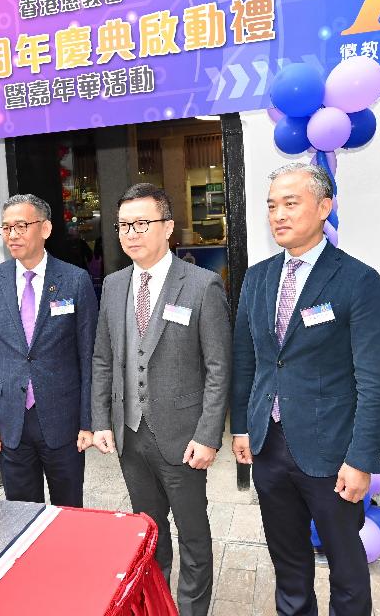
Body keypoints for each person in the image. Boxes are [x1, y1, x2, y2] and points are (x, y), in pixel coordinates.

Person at [231, 163, 380, 616]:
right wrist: (241, 426)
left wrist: (362, 459)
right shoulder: (257, 277)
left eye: (291, 203)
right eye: (271, 206)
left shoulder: (358, 281)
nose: (278, 215)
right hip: (268, 446)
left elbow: (377, 380)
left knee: (346, 563)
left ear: (325, 207)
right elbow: (248, 359)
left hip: (331, 452)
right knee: (288, 560)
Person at [91, 183, 231, 616]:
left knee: (192, 533)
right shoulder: (113, 285)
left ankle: (192, 609)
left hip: (183, 436)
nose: (131, 233)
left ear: (168, 227)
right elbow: (103, 358)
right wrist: (101, 421)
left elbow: (219, 369)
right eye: (123, 226)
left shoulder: (202, 284)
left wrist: (208, 435)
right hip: (131, 436)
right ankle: (157, 604)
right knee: (148, 532)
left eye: (142, 223)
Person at [0, 194, 98, 507]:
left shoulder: (75, 280)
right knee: (21, 512)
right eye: (6, 228)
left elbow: (89, 356)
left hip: (62, 417)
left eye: (21, 226)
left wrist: (88, 421)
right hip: (10, 419)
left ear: (45, 228)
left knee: (68, 510)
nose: (12, 234)